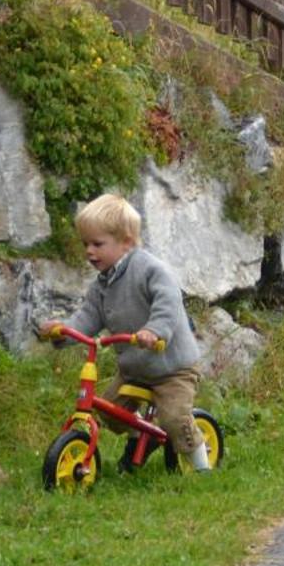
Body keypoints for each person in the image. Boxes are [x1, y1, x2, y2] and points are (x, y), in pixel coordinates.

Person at [42, 193, 209, 471]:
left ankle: (203, 466)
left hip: (172, 367)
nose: (89, 251)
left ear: (126, 242)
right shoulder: (102, 285)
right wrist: (64, 332)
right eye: (85, 244)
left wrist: (154, 331)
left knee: (174, 420)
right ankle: (142, 435)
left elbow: (168, 302)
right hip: (134, 369)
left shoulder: (150, 270)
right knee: (111, 411)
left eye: (97, 244)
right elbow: (88, 316)